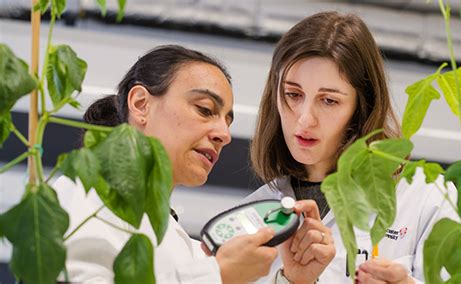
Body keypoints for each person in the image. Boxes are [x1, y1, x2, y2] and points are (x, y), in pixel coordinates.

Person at [54, 45, 299, 283]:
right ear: (141, 104)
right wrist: (218, 277)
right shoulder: (84, 196)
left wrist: (294, 279)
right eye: (205, 110)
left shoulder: (177, 241)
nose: (224, 135)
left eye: (228, 121)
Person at [243, 11, 458, 283]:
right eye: (293, 95)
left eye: (329, 101)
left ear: (362, 107)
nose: (305, 118)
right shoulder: (253, 215)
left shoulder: (424, 196)